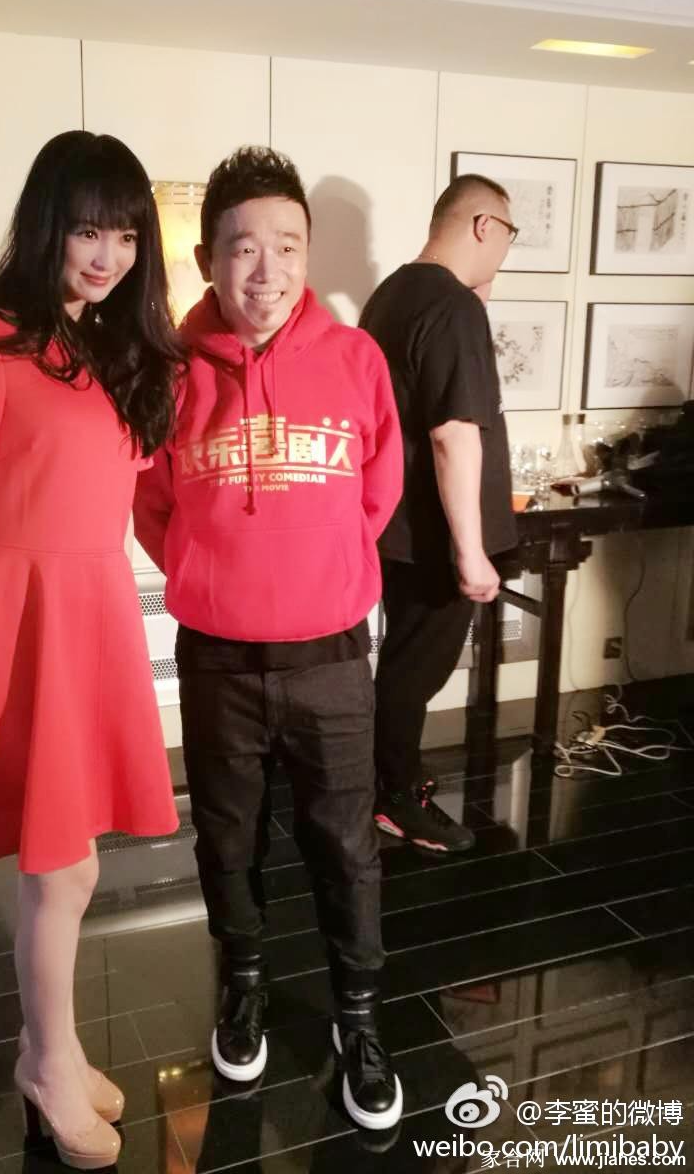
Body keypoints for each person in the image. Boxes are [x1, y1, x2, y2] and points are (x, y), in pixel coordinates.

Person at [0, 131, 182, 1170]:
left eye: (126, 235)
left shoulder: (108, 346)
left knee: (72, 861)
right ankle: (51, 1062)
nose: (107, 254)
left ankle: (45, 1049)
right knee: (61, 865)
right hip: (18, 620)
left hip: (91, 613)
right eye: (87, 229)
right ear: (47, 225)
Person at [134, 147, 404, 1131]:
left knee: (347, 845)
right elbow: (153, 505)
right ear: (208, 259)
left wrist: (317, 568)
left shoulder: (357, 359)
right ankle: (241, 986)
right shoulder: (169, 371)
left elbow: (377, 491)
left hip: (332, 657)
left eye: (287, 245)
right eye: (243, 248)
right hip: (217, 660)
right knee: (227, 835)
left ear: (307, 253)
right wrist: (218, 572)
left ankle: (359, 1018)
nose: (267, 269)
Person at [358, 174, 518, 854]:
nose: (507, 249)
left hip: (395, 525)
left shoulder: (392, 294)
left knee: (402, 659)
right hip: (434, 535)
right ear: (483, 225)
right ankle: (393, 799)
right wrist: (471, 551)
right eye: (508, 234)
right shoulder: (450, 307)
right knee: (413, 671)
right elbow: (453, 434)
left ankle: (385, 784)